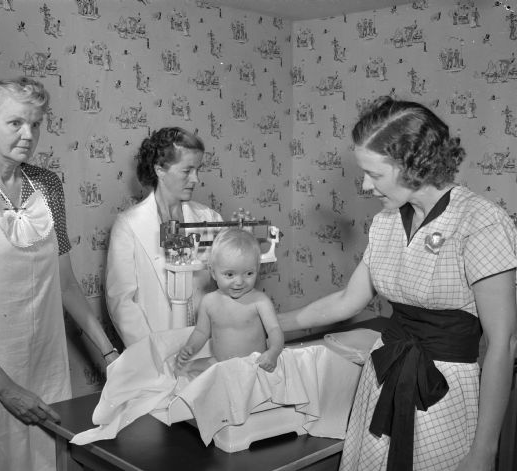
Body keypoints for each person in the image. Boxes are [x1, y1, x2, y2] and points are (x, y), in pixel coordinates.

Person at [278, 97, 517, 471]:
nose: (365, 186)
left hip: (444, 392)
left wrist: (484, 451)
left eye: (374, 174)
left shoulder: (481, 222)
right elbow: (347, 300)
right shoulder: (387, 221)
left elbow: (504, 343)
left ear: (412, 164)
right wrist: (271, 324)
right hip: (385, 375)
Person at [0, 77, 119, 471]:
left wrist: (110, 353)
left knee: (42, 458)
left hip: (44, 362)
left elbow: (65, 284)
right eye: (16, 123)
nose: (28, 134)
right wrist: (8, 391)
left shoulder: (48, 185)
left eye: (36, 124)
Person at [106, 127, 222, 347]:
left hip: (208, 346)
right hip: (155, 349)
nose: (195, 179)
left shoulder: (209, 218)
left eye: (198, 170)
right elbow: (122, 303)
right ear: (160, 169)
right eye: (187, 171)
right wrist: (152, 354)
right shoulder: (128, 226)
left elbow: (227, 283)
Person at [176, 228, 284, 373]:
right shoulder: (209, 302)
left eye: (249, 273)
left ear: (257, 269)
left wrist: (273, 352)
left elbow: (274, 329)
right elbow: (201, 332)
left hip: (253, 365)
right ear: (213, 272)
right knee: (183, 369)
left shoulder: (259, 301)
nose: (239, 281)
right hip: (220, 362)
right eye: (230, 274)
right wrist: (190, 347)